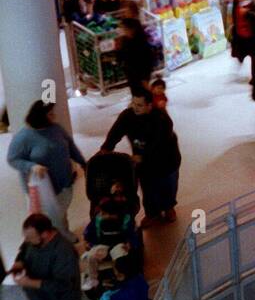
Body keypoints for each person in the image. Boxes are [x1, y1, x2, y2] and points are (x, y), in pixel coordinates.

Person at [100, 87, 181, 227]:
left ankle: (169, 208)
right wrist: (106, 148)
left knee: (168, 186)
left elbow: (158, 144)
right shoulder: (127, 116)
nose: (134, 108)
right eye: (133, 103)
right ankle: (152, 213)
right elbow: (116, 132)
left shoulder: (162, 119)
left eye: (139, 105)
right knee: (148, 189)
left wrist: (142, 157)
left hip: (167, 160)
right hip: (144, 163)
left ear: (150, 105)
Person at [7, 100, 86, 237]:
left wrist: (83, 163)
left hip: (64, 182)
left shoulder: (56, 128)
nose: (54, 116)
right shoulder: (23, 137)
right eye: (50, 114)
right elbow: (13, 159)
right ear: (40, 117)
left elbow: (70, 147)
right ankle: (51, 240)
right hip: (42, 188)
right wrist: (31, 166)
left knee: (61, 212)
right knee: (46, 218)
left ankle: (64, 232)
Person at [116, 18, 156, 93]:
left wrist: (144, 78)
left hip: (141, 75)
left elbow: (147, 60)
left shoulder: (141, 43)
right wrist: (118, 49)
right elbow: (122, 57)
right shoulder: (125, 41)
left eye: (124, 29)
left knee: (144, 95)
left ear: (131, 29)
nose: (122, 31)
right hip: (131, 74)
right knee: (136, 94)